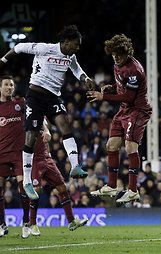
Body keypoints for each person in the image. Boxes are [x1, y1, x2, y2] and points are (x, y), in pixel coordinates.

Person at [0, 25, 96, 200]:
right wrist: (3, 61)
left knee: (64, 126)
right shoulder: (45, 48)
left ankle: (75, 166)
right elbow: (20, 47)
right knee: (31, 136)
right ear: (66, 42)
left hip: (53, 98)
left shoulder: (70, 56)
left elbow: (76, 70)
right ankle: (27, 181)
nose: (77, 48)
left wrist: (86, 78)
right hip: (35, 96)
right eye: (76, 44)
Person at [87, 34, 152, 204]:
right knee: (111, 145)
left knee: (130, 146)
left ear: (126, 52)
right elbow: (122, 86)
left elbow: (129, 97)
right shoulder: (118, 64)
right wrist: (112, 88)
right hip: (124, 110)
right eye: (113, 54)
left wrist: (103, 97)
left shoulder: (134, 70)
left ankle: (132, 190)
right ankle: (111, 185)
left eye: (118, 54)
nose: (115, 57)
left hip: (138, 110)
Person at [24, 121, 88, 238]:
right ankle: (32, 224)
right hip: (34, 160)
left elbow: (44, 125)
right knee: (36, 191)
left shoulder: (40, 114)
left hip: (47, 158)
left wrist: (46, 129)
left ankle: (71, 221)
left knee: (62, 187)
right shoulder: (25, 115)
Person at [0, 75, 30, 238]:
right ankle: (1, 224)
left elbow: (38, 114)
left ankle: (26, 223)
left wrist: (45, 129)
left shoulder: (21, 103)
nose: (9, 87)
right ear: (0, 87)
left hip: (19, 154)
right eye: (6, 85)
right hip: (1, 154)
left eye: (11, 85)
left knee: (23, 189)